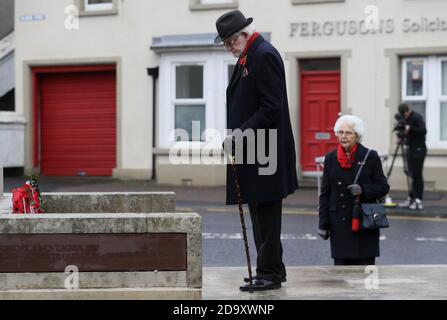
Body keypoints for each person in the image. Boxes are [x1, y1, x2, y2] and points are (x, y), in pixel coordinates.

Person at [215, 10, 298, 291]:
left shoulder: (263, 54)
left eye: (230, 42)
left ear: (244, 34)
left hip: (267, 153)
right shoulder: (249, 56)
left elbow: (271, 107)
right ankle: (271, 269)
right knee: (259, 214)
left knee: (267, 215)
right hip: (255, 152)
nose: (228, 48)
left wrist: (239, 134)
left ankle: (270, 273)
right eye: (225, 43)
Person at [318, 115, 390, 266]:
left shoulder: (370, 156)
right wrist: (323, 224)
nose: (343, 136)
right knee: (341, 279)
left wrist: (363, 189)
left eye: (348, 133)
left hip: (365, 225)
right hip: (339, 225)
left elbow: (383, 187)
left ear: (357, 136)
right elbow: (325, 194)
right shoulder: (330, 158)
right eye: (340, 132)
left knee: (365, 279)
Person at [397, 103, 427, 210]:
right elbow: (405, 132)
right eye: (403, 115)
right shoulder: (406, 118)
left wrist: (410, 128)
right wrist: (401, 135)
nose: (405, 116)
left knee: (417, 175)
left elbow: (423, 130)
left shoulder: (416, 117)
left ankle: (418, 199)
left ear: (408, 110)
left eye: (405, 114)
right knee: (411, 174)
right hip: (410, 149)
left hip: (419, 150)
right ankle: (411, 197)